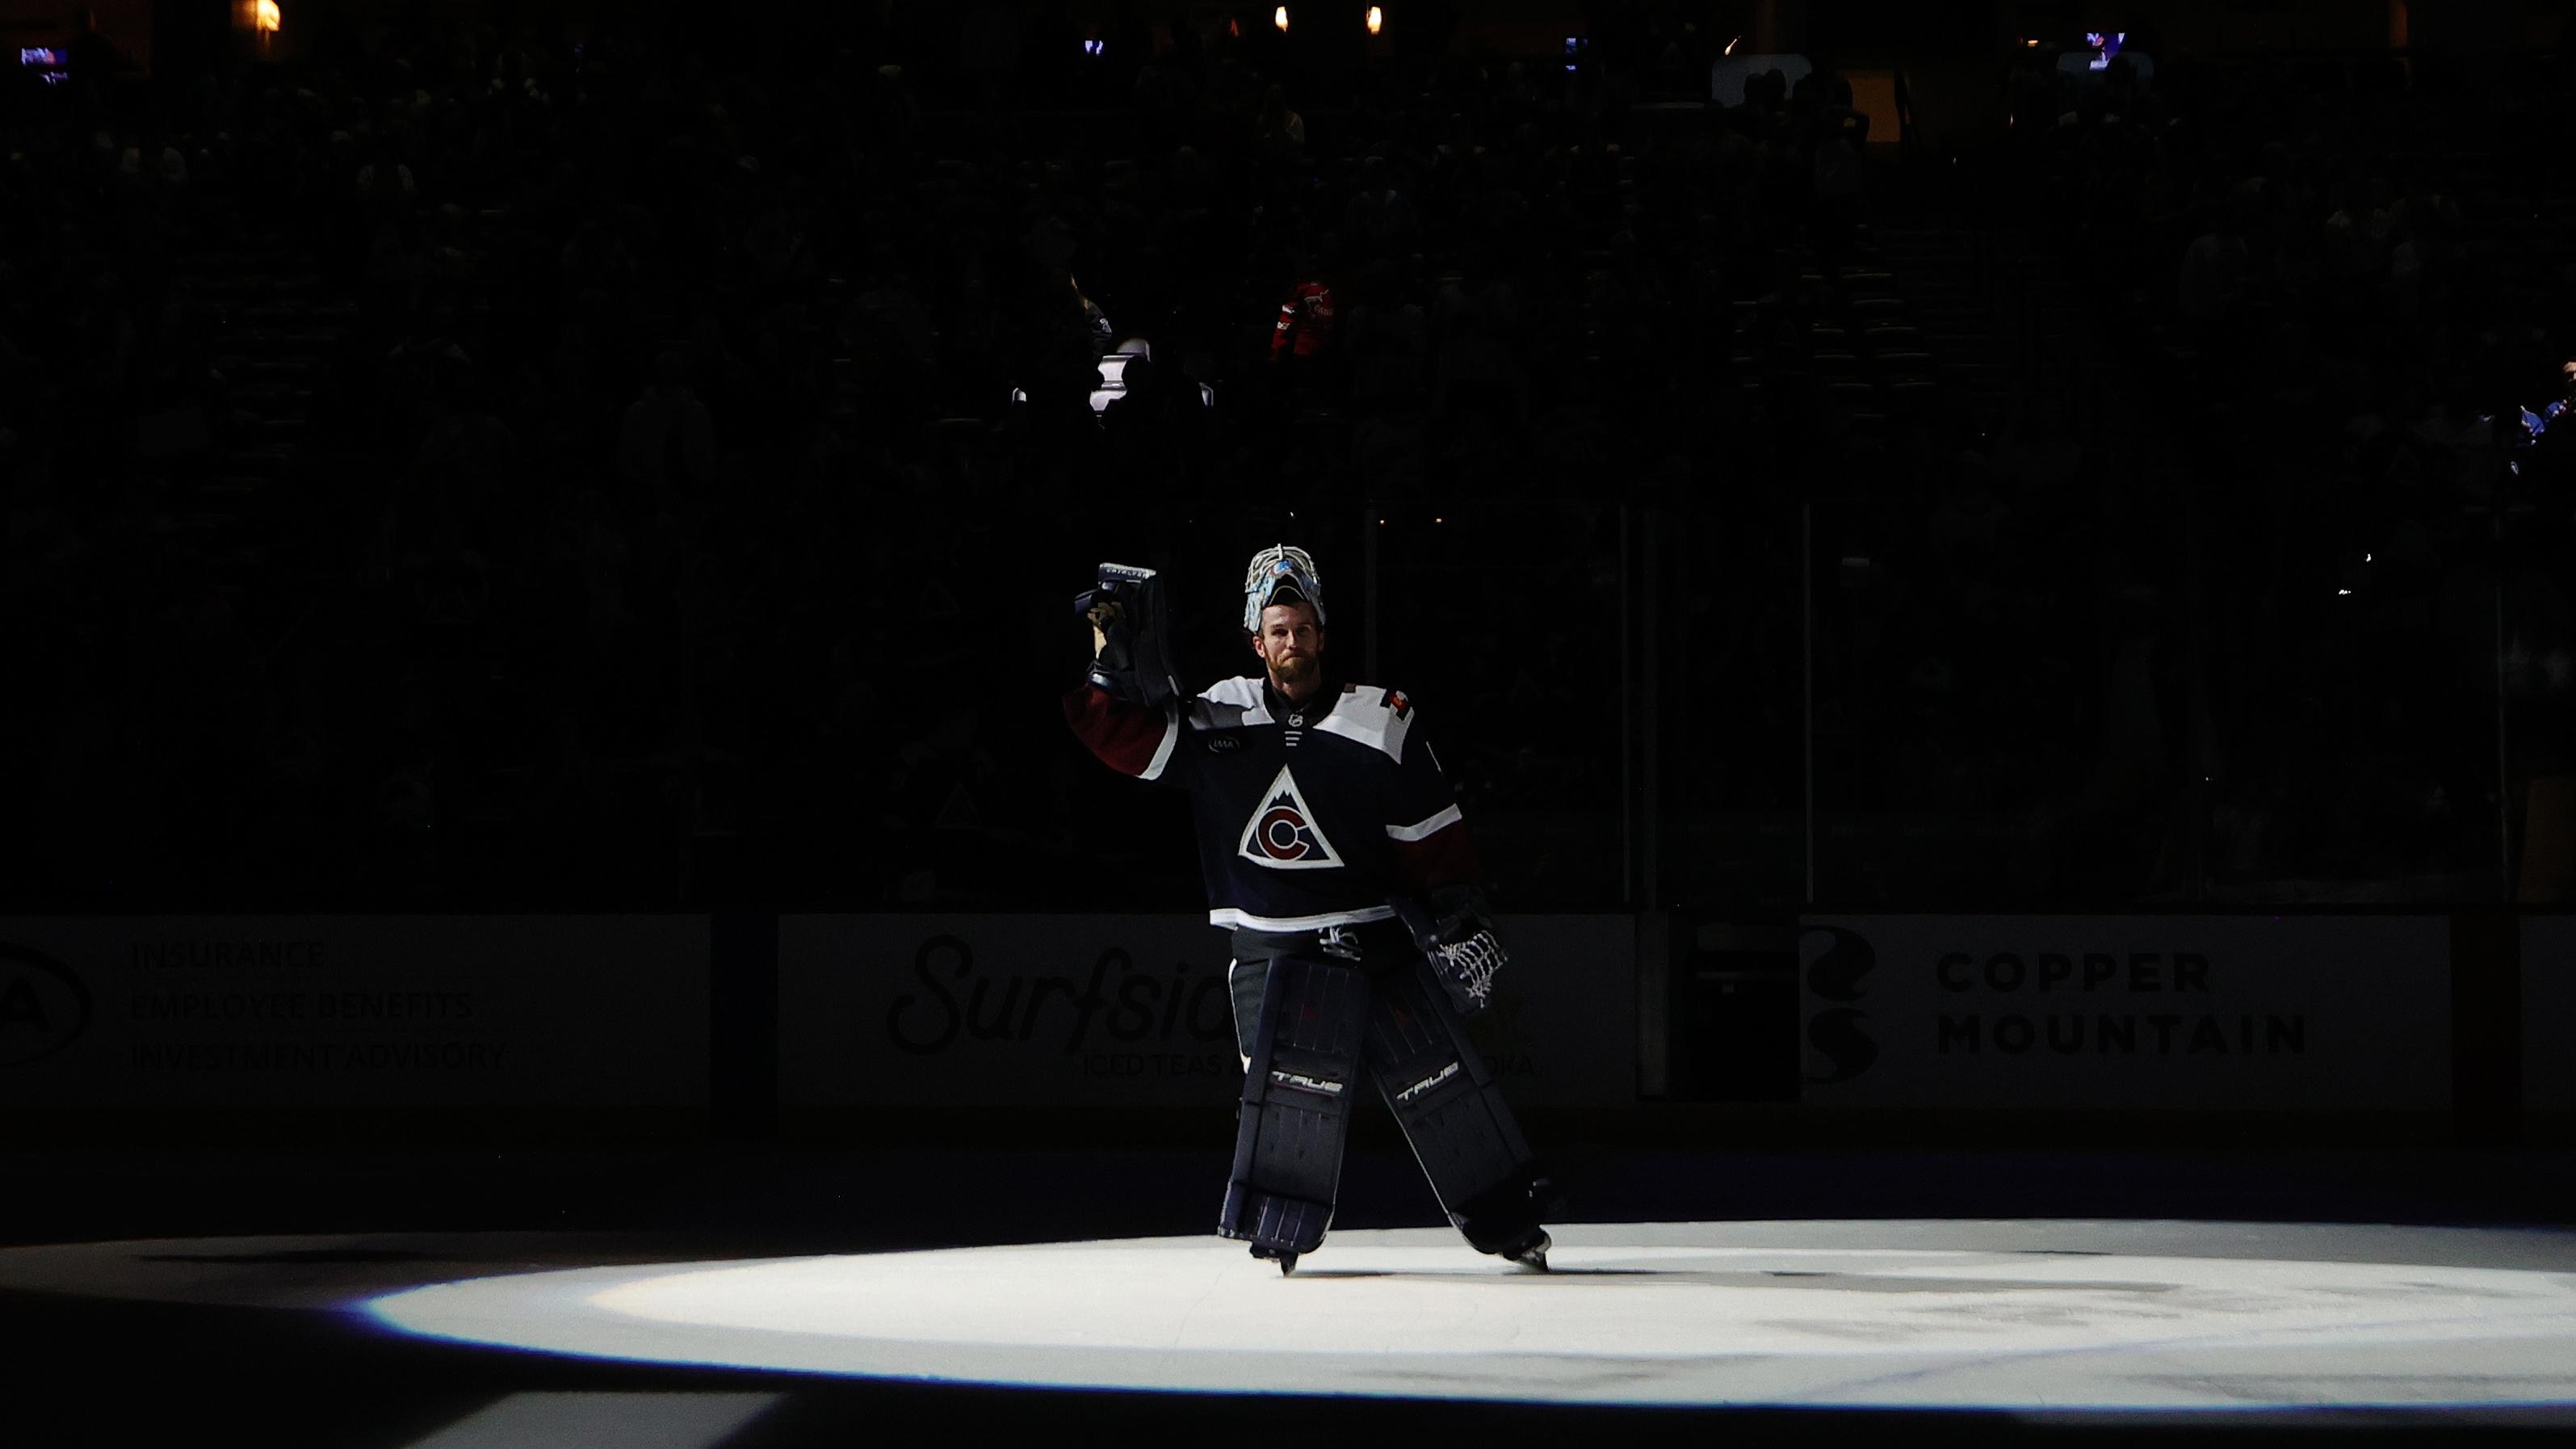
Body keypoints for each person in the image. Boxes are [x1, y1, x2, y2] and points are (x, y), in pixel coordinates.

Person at [1062, 546, 1559, 1274]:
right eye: (1278, 631)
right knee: (1287, 1107)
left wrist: (1457, 912)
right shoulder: (1218, 714)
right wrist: (1108, 658)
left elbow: (1432, 833)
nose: (1291, 643)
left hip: (1373, 937)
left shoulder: (1381, 719)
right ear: (1255, 641)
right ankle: (1280, 1226)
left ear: (1322, 633)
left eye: (1302, 628)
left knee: (1442, 1086)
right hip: (1270, 951)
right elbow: (1120, 737)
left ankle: (1510, 1222)